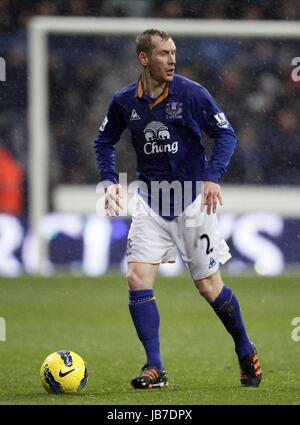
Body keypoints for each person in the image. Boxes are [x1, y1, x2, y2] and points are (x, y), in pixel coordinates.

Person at [94, 29, 262, 389]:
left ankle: (245, 349)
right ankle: (155, 368)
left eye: (174, 53)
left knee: (208, 287)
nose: (172, 60)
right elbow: (104, 140)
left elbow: (225, 134)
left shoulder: (191, 93)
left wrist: (213, 176)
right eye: (164, 54)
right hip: (151, 203)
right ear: (144, 59)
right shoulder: (124, 101)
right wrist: (110, 182)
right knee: (136, 278)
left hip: (192, 202)